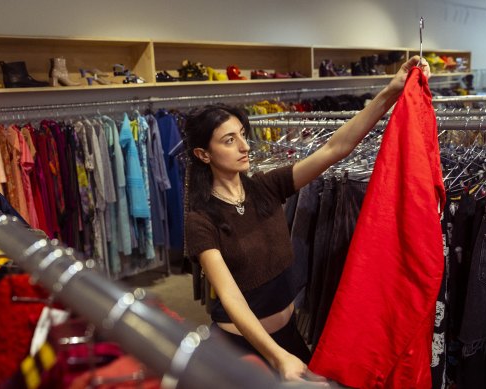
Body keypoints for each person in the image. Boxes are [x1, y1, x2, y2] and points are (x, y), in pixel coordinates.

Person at [184, 55, 431, 382]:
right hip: (240, 345)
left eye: (242, 134)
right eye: (229, 140)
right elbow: (231, 297)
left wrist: (390, 91)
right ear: (203, 154)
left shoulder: (266, 187)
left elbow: (334, 149)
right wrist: (277, 356)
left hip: (287, 335)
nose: (244, 146)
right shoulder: (200, 219)